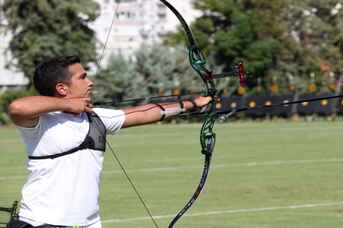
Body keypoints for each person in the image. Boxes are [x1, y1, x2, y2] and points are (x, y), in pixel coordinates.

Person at [7, 55, 212, 228]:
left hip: (88, 223)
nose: (90, 82)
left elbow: (146, 113)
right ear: (62, 88)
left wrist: (192, 103)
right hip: (41, 222)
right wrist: (67, 105)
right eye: (83, 77)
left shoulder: (96, 117)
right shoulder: (42, 123)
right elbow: (17, 107)